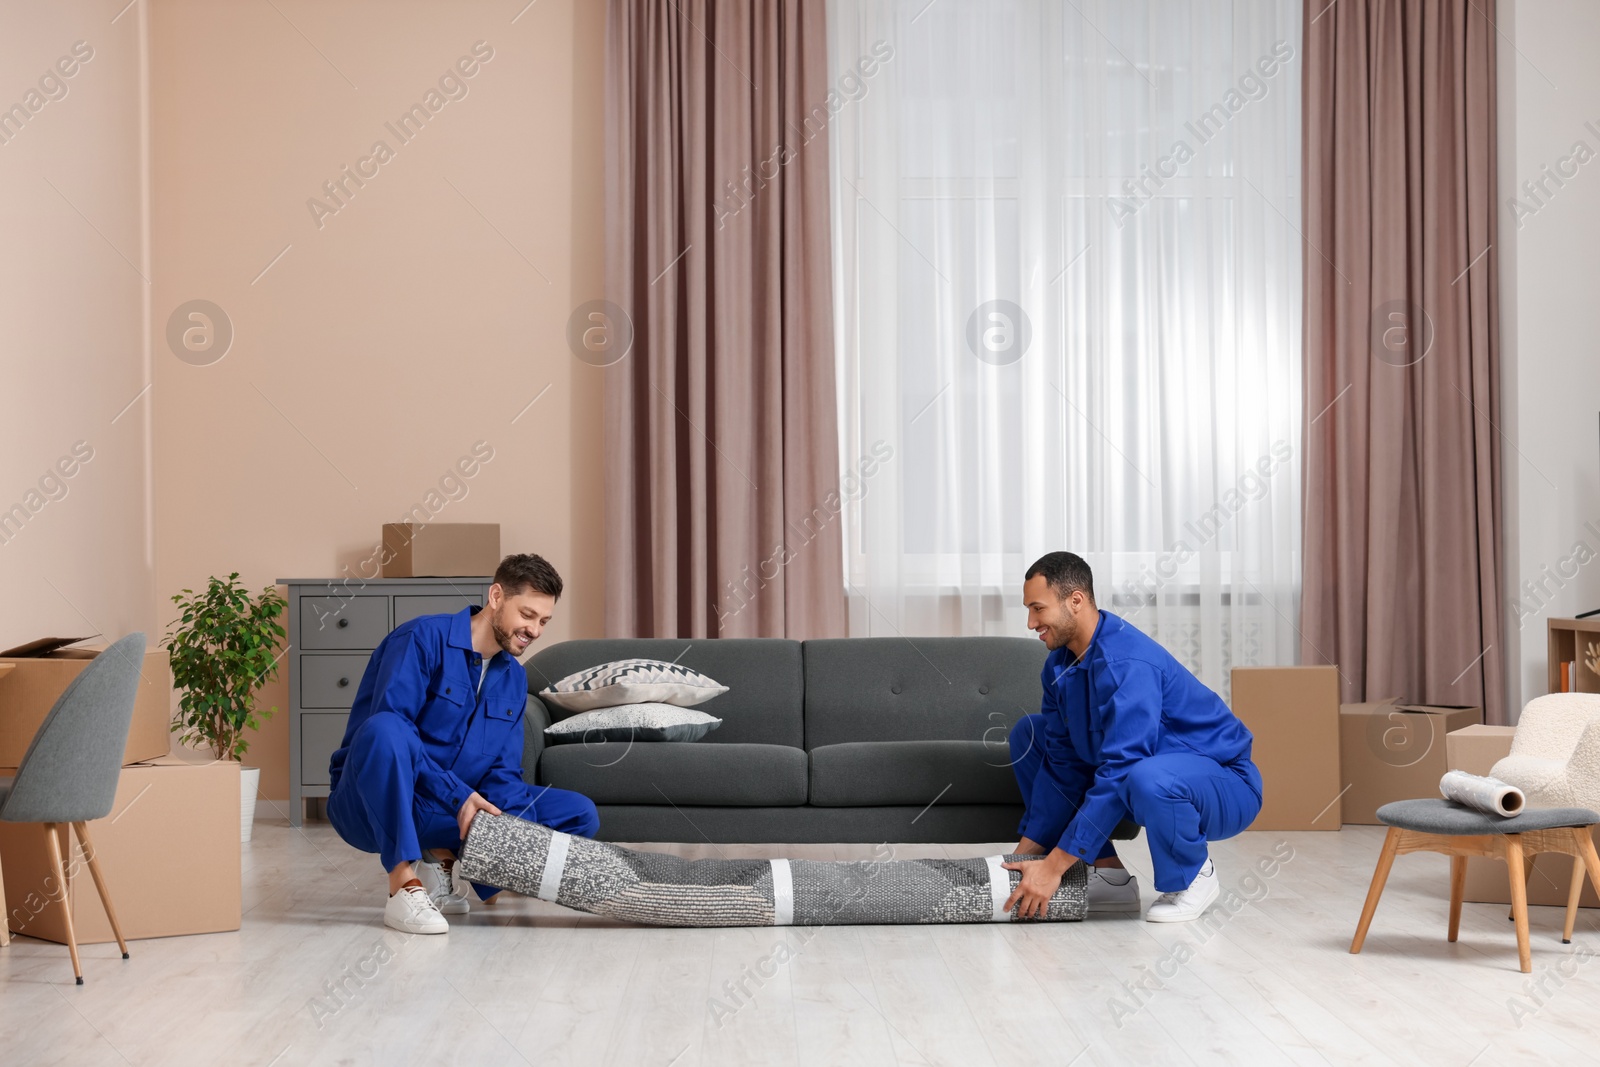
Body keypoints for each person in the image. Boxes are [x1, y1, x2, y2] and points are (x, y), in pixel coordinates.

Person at [326, 553, 600, 934]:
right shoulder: (420, 639)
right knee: (387, 729)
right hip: (371, 802)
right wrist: (457, 796)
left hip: (449, 812)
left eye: (543, 621)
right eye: (527, 615)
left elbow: (503, 773)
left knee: (578, 813)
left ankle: (449, 861)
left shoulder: (514, 679)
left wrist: (502, 840)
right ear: (496, 596)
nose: (534, 630)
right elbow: (389, 738)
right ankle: (403, 885)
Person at [1001, 551, 1263, 923]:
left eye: (1038, 609)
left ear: (1075, 601)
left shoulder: (1127, 663)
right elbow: (1063, 767)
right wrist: (1023, 858)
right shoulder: (1058, 666)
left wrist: (1055, 866)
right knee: (1032, 734)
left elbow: (1123, 768)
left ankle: (1194, 876)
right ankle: (1109, 874)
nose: (1031, 623)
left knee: (1143, 775)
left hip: (1224, 783)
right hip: (1146, 779)